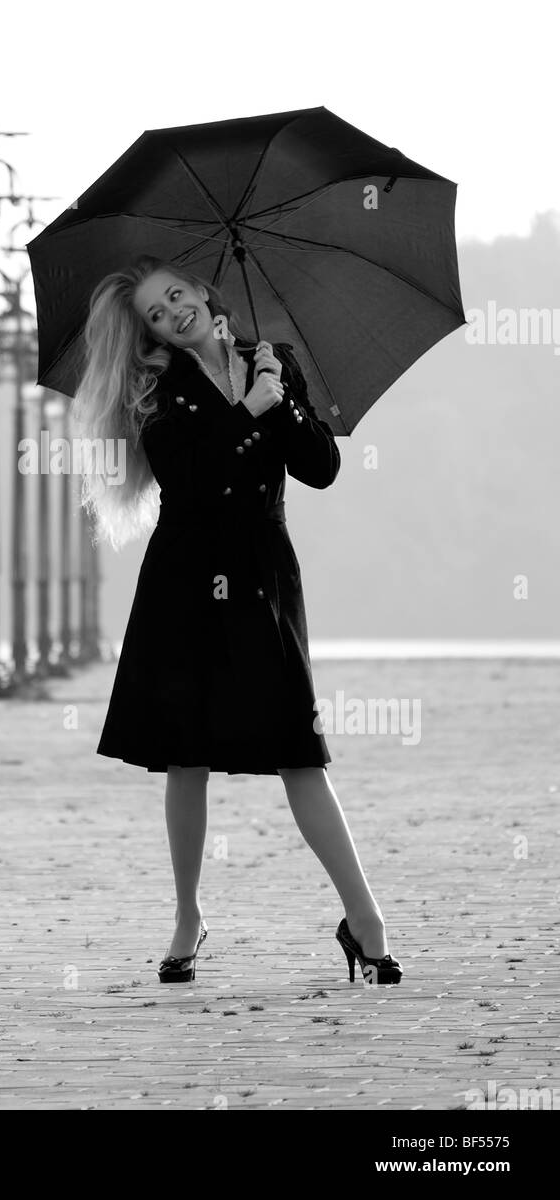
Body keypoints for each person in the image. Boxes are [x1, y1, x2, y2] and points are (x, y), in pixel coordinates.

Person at [71, 254, 402, 987]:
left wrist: (276, 399)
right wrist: (246, 412)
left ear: (202, 290)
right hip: (185, 580)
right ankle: (187, 916)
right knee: (184, 756)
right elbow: (189, 484)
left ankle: (365, 920)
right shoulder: (152, 388)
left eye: (175, 295)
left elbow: (319, 467)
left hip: (261, 575)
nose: (171, 313)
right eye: (154, 314)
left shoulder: (271, 360)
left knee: (298, 750)